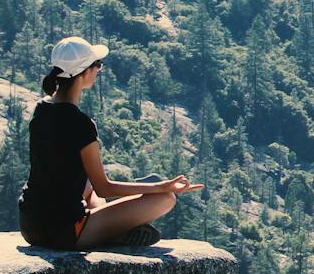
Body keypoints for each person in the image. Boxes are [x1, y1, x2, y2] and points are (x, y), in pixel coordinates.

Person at [17, 35, 202, 250]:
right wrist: (161, 186)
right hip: (62, 233)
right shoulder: (81, 124)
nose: (99, 69)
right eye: (97, 65)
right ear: (85, 73)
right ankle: (115, 231)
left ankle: (111, 227)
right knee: (165, 199)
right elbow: (104, 188)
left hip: (30, 224)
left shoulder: (41, 109)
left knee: (87, 185)